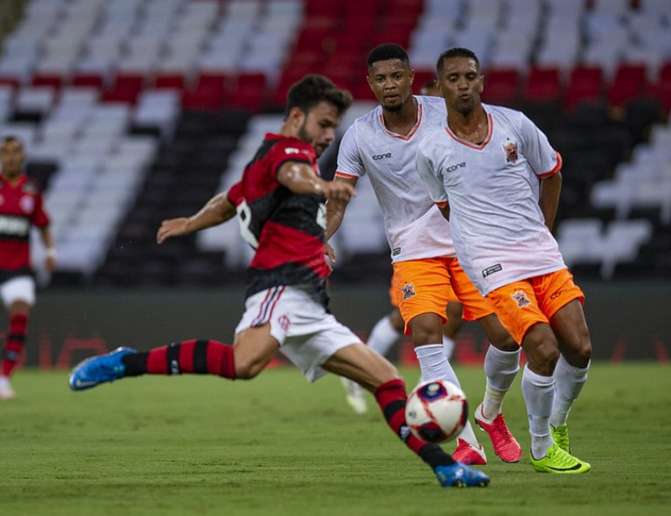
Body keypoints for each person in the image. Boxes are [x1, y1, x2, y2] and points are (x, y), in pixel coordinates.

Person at [68, 75, 489, 488]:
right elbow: (295, 176)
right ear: (295, 116)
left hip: (310, 305)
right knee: (243, 364)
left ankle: (444, 468)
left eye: (333, 128)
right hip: (280, 288)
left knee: (388, 380)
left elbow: (229, 200)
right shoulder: (290, 153)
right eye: (323, 124)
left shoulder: (260, 162)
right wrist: (324, 186)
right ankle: (126, 362)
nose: (328, 135)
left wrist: (191, 222)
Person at [326, 44, 523, 465]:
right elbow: (340, 195)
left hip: (470, 241)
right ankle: (467, 440)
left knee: (507, 339)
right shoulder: (360, 134)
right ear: (370, 84)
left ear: (410, 77)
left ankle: (491, 413)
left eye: (396, 76)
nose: (389, 85)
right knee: (426, 333)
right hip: (414, 253)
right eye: (380, 79)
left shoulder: (443, 113)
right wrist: (322, 236)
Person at [416, 48, 592, 474]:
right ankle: (542, 448)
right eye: (453, 78)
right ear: (439, 88)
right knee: (541, 348)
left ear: (481, 81)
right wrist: (480, 239)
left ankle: (556, 426)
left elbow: (551, 173)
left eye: (469, 76)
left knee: (579, 348)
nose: (462, 84)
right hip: (490, 259)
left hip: (539, 250)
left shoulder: (515, 123)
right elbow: (446, 207)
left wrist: (544, 229)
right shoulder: (431, 148)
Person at [340, 75, 464, 416]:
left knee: (456, 314)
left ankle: (440, 388)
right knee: (410, 318)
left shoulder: (457, 130)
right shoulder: (402, 131)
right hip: (416, 246)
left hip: (457, 242)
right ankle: (364, 372)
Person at [0, 136, 55, 400]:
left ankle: (4, 377)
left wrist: (50, 252)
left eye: (15, 152)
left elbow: (43, 225)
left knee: (20, 313)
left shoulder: (31, 192)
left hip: (17, 268)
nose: (10, 157)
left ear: (22, 156)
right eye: (6, 152)